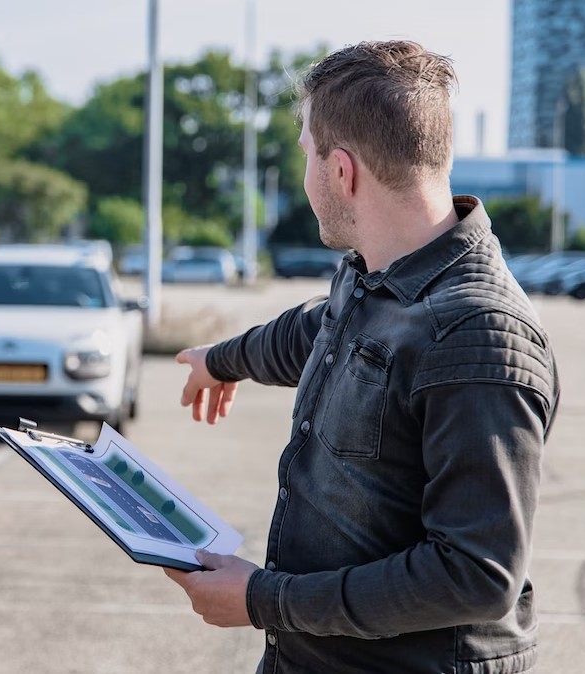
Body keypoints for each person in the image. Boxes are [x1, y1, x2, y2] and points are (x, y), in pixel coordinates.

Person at [164, 41, 559, 674]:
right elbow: (317, 331)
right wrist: (224, 358)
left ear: (341, 171)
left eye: (306, 158)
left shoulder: (478, 335)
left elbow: (476, 576)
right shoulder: (376, 276)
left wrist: (263, 599)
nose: (305, 178)